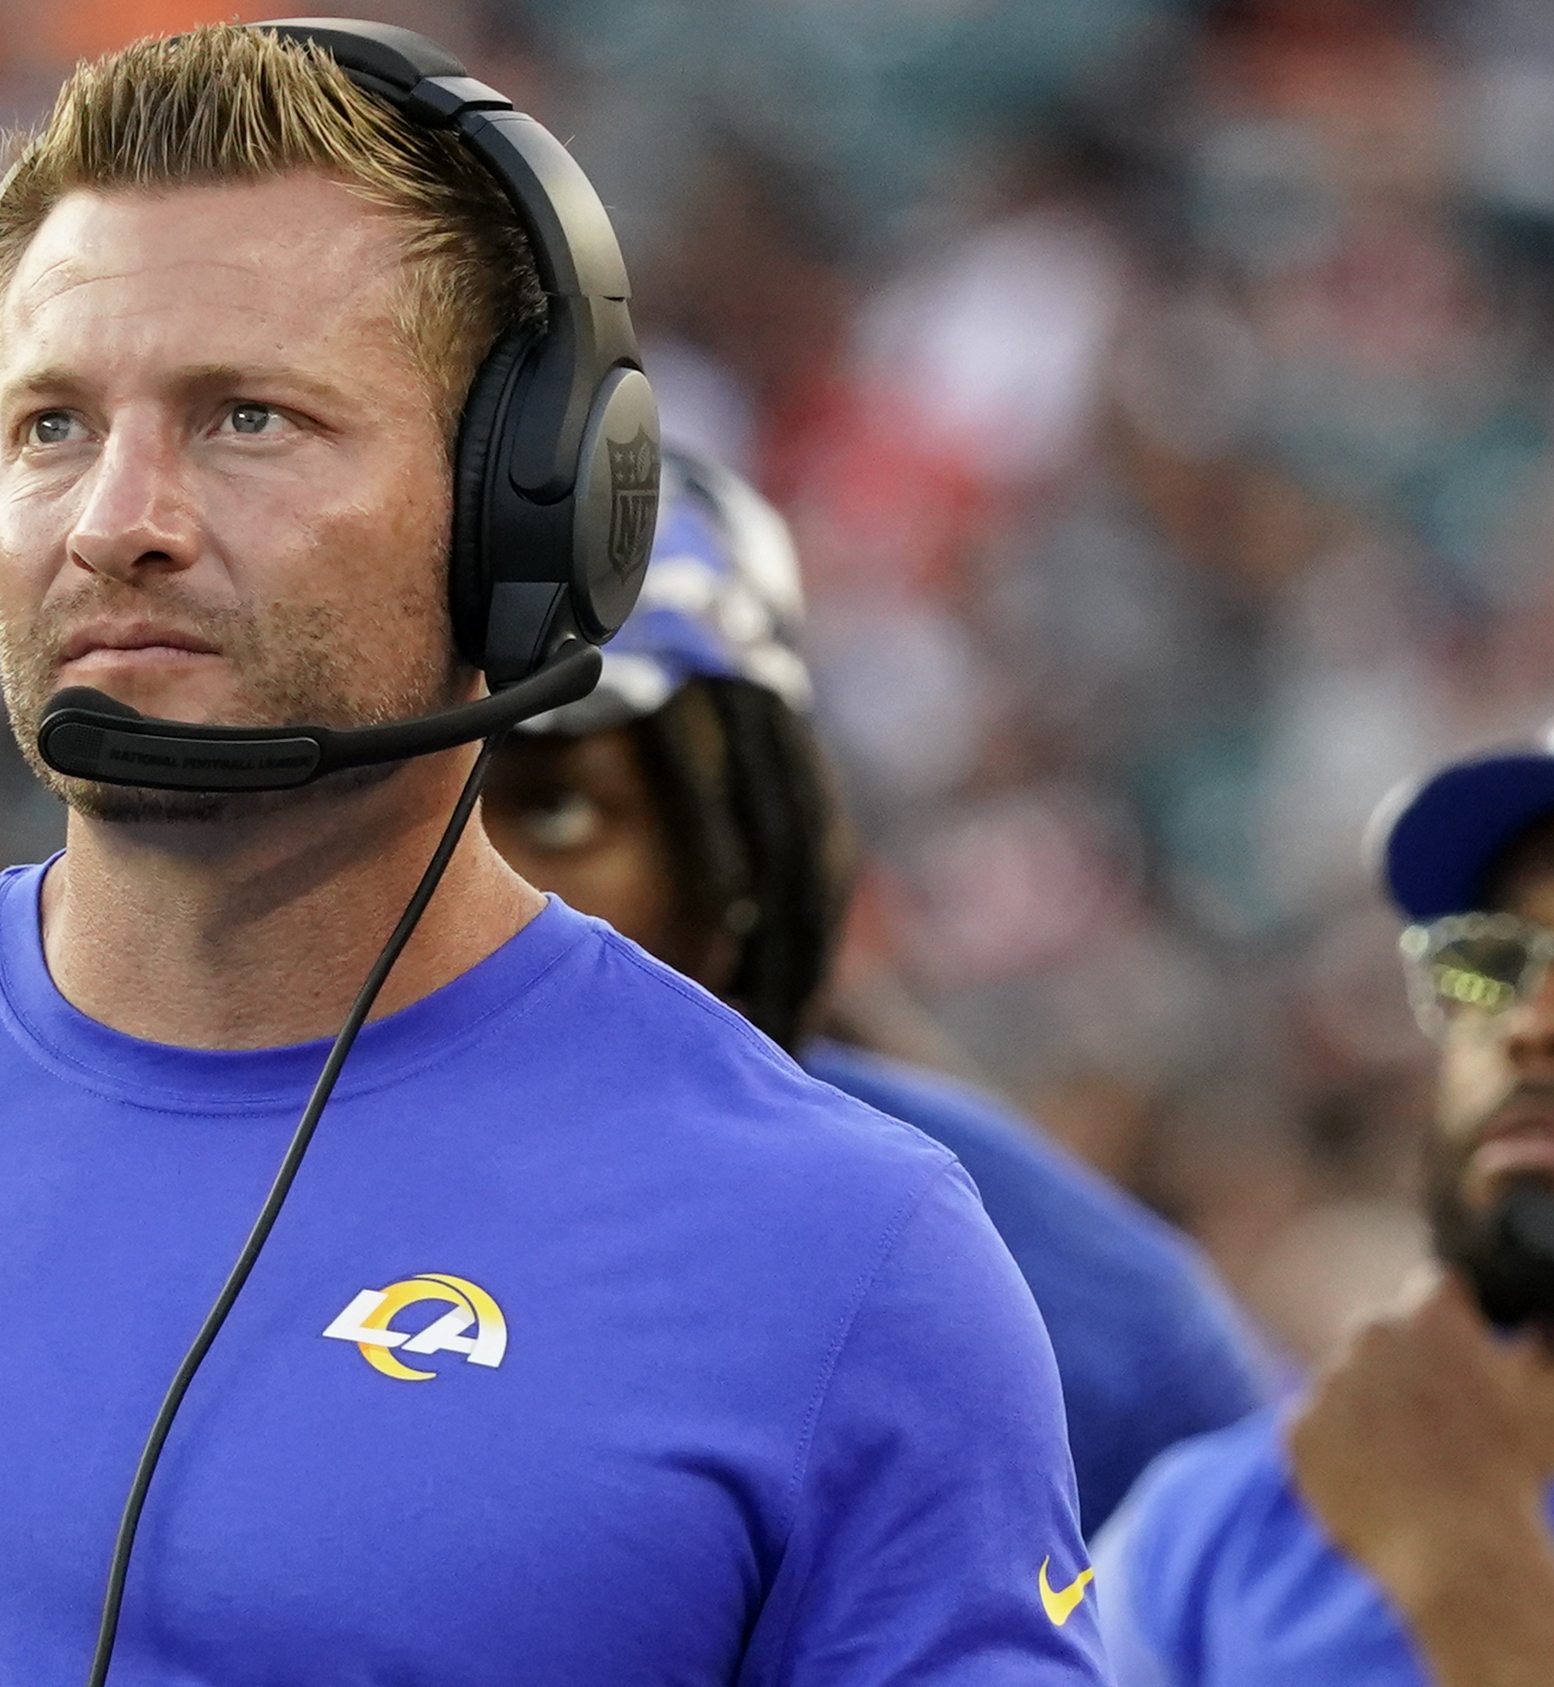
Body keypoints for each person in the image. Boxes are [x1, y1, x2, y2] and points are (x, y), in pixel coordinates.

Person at [0, 23, 1105, 1684]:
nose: (120, 522)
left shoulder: (844, 1262)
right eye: (53, 426)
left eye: (248, 419)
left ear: (524, 518)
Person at [480, 457, 1275, 1537]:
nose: (453, 873)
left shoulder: (1071, 1322)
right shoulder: (200, 1175)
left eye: (556, 809)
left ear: (733, 858)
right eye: (397, 792)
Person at [1089, 729, 1554, 1684]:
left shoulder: (1413, 1516)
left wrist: (1468, 1578)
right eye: (1490, 962)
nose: (1528, 1024)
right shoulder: (1236, 1514)